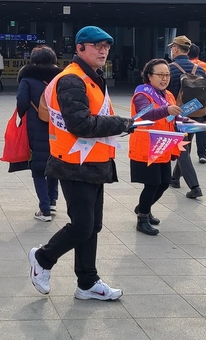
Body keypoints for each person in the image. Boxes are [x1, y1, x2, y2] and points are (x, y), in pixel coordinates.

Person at [29, 26, 134, 302]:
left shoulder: (93, 78)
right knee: (82, 226)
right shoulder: (72, 80)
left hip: (95, 161)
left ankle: (87, 282)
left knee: (93, 225)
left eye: (106, 46)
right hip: (73, 162)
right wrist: (122, 123)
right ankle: (42, 258)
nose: (103, 50)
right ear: (80, 49)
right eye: (96, 45)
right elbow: (80, 124)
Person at [128, 59, 190, 235]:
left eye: (167, 75)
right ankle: (143, 218)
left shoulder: (167, 95)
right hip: (147, 148)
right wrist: (167, 111)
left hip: (163, 146)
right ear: (149, 76)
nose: (165, 78)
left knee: (163, 183)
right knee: (152, 184)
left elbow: (173, 116)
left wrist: (189, 121)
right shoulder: (142, 94)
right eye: (160, 75)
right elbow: (145, 113)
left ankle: (143, 208)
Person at [15, 46, 62, 222]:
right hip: (58, 127)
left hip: (36, 125)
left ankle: (44, 209)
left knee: (38, 168)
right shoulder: (60, 78)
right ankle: (52, 201)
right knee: (54, 160)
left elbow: (21, 101)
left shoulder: (27, 79)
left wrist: (23, 114)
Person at [166, 36, 206, 199]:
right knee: (185, 146)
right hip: (196, 114)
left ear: (175, 48)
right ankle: (174, 178)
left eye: (172, 47)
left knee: (182, 149)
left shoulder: (170, 69)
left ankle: (195, 187)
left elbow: (165, 93)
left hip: (177, 115)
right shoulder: (200, 69)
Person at [187, 44, 206, 164]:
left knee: (186, 128)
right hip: (202, 100)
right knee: (201, 127)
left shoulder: (187, 66)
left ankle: (184, 153)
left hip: (187, 102)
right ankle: (202, 154)